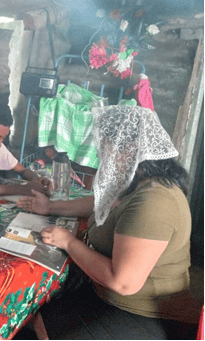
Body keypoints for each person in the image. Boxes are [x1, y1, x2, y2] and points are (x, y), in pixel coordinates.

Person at [17, 106, 201, 339]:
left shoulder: (154, 200)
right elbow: (100, 202)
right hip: (110, 295)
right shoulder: (137, 181)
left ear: (132, 147)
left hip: (145, 312)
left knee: (45, 318)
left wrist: (69, 242)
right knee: (40, 310)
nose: (102, 155)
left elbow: (123, 283)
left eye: (106, 147)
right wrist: (49, 207)